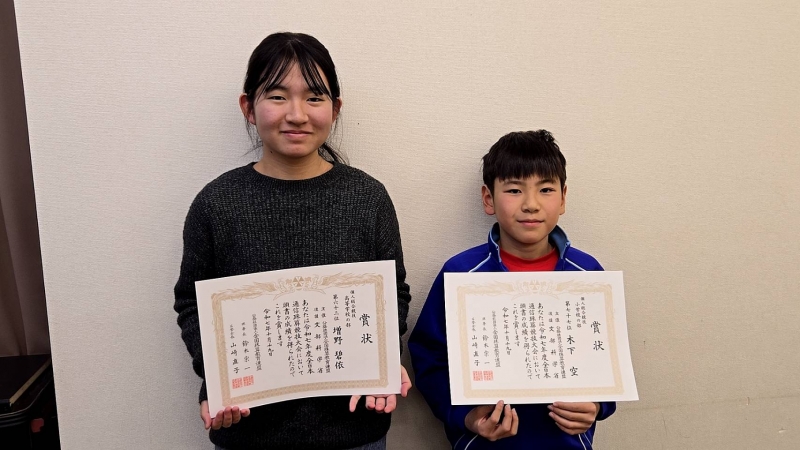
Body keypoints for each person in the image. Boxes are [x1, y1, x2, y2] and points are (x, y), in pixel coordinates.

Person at [174, 32, 411, 450]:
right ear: (249, 107)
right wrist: (216, 376)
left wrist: (384, 358)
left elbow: (393, 292)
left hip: (354, 430)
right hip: (249, 429)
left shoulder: (367, 198)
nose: (297, 114)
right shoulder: (217, 203)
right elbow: (191, 302)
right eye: (278, 96)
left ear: (335, 109)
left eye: (314, 97)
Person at [408, 130, 615, 449]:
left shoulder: (586, 273)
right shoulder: (462, 273)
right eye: (515, 190)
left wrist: (599, 406)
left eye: (546, 189)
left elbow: (607, 359)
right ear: (488, 198)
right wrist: (466, 417)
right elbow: (429, 357)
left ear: (563, 198)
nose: (531, 204)